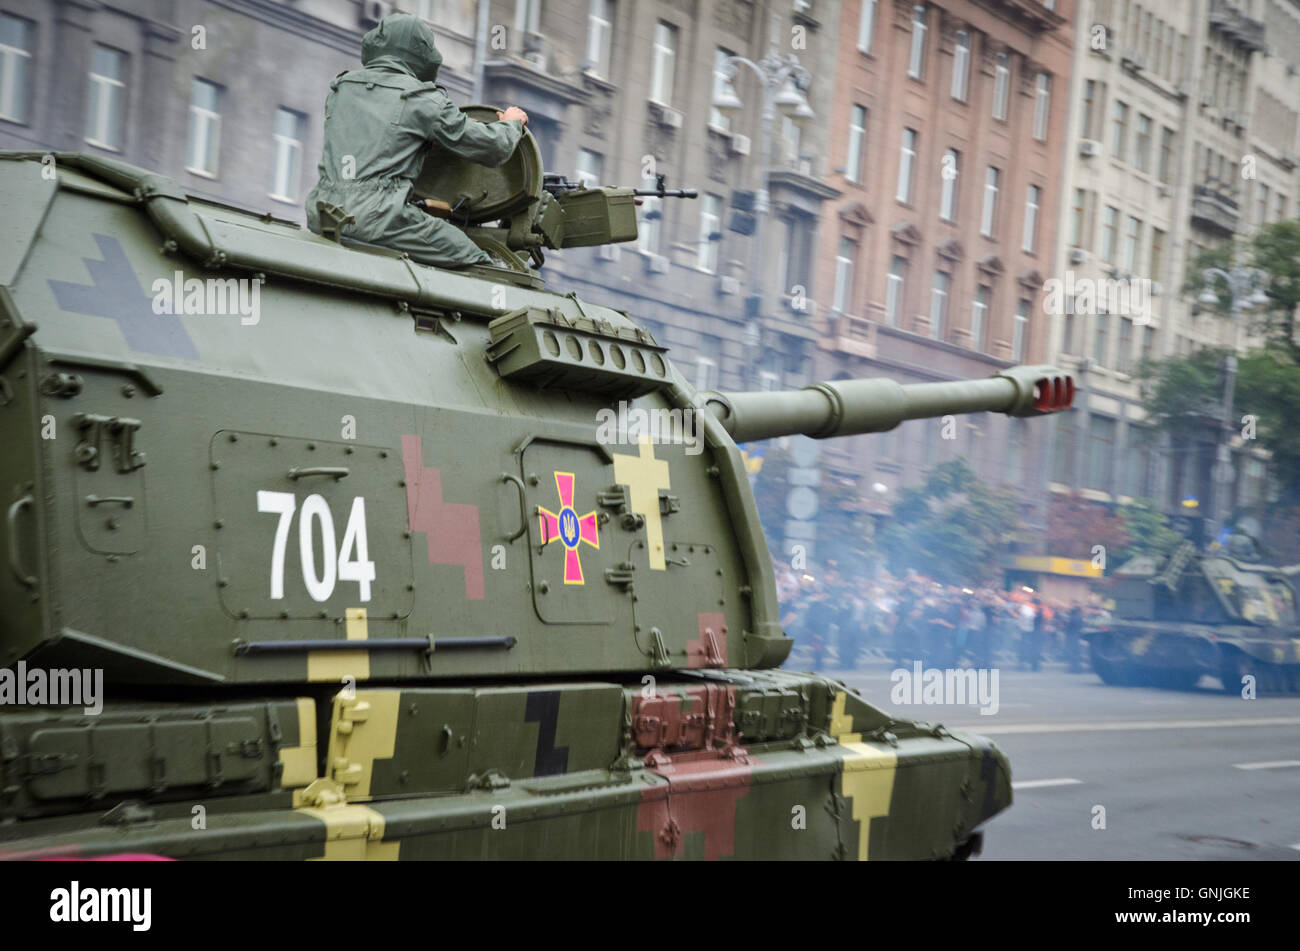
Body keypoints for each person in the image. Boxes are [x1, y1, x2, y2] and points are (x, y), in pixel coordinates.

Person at [304, 13, 529, 267]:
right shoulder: (422, 99)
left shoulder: (341, 88)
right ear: (419, 52)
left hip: (323, 214)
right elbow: (493, 147)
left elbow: (375, 138)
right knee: (479, 263)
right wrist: (511, 123)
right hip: (379, 221)